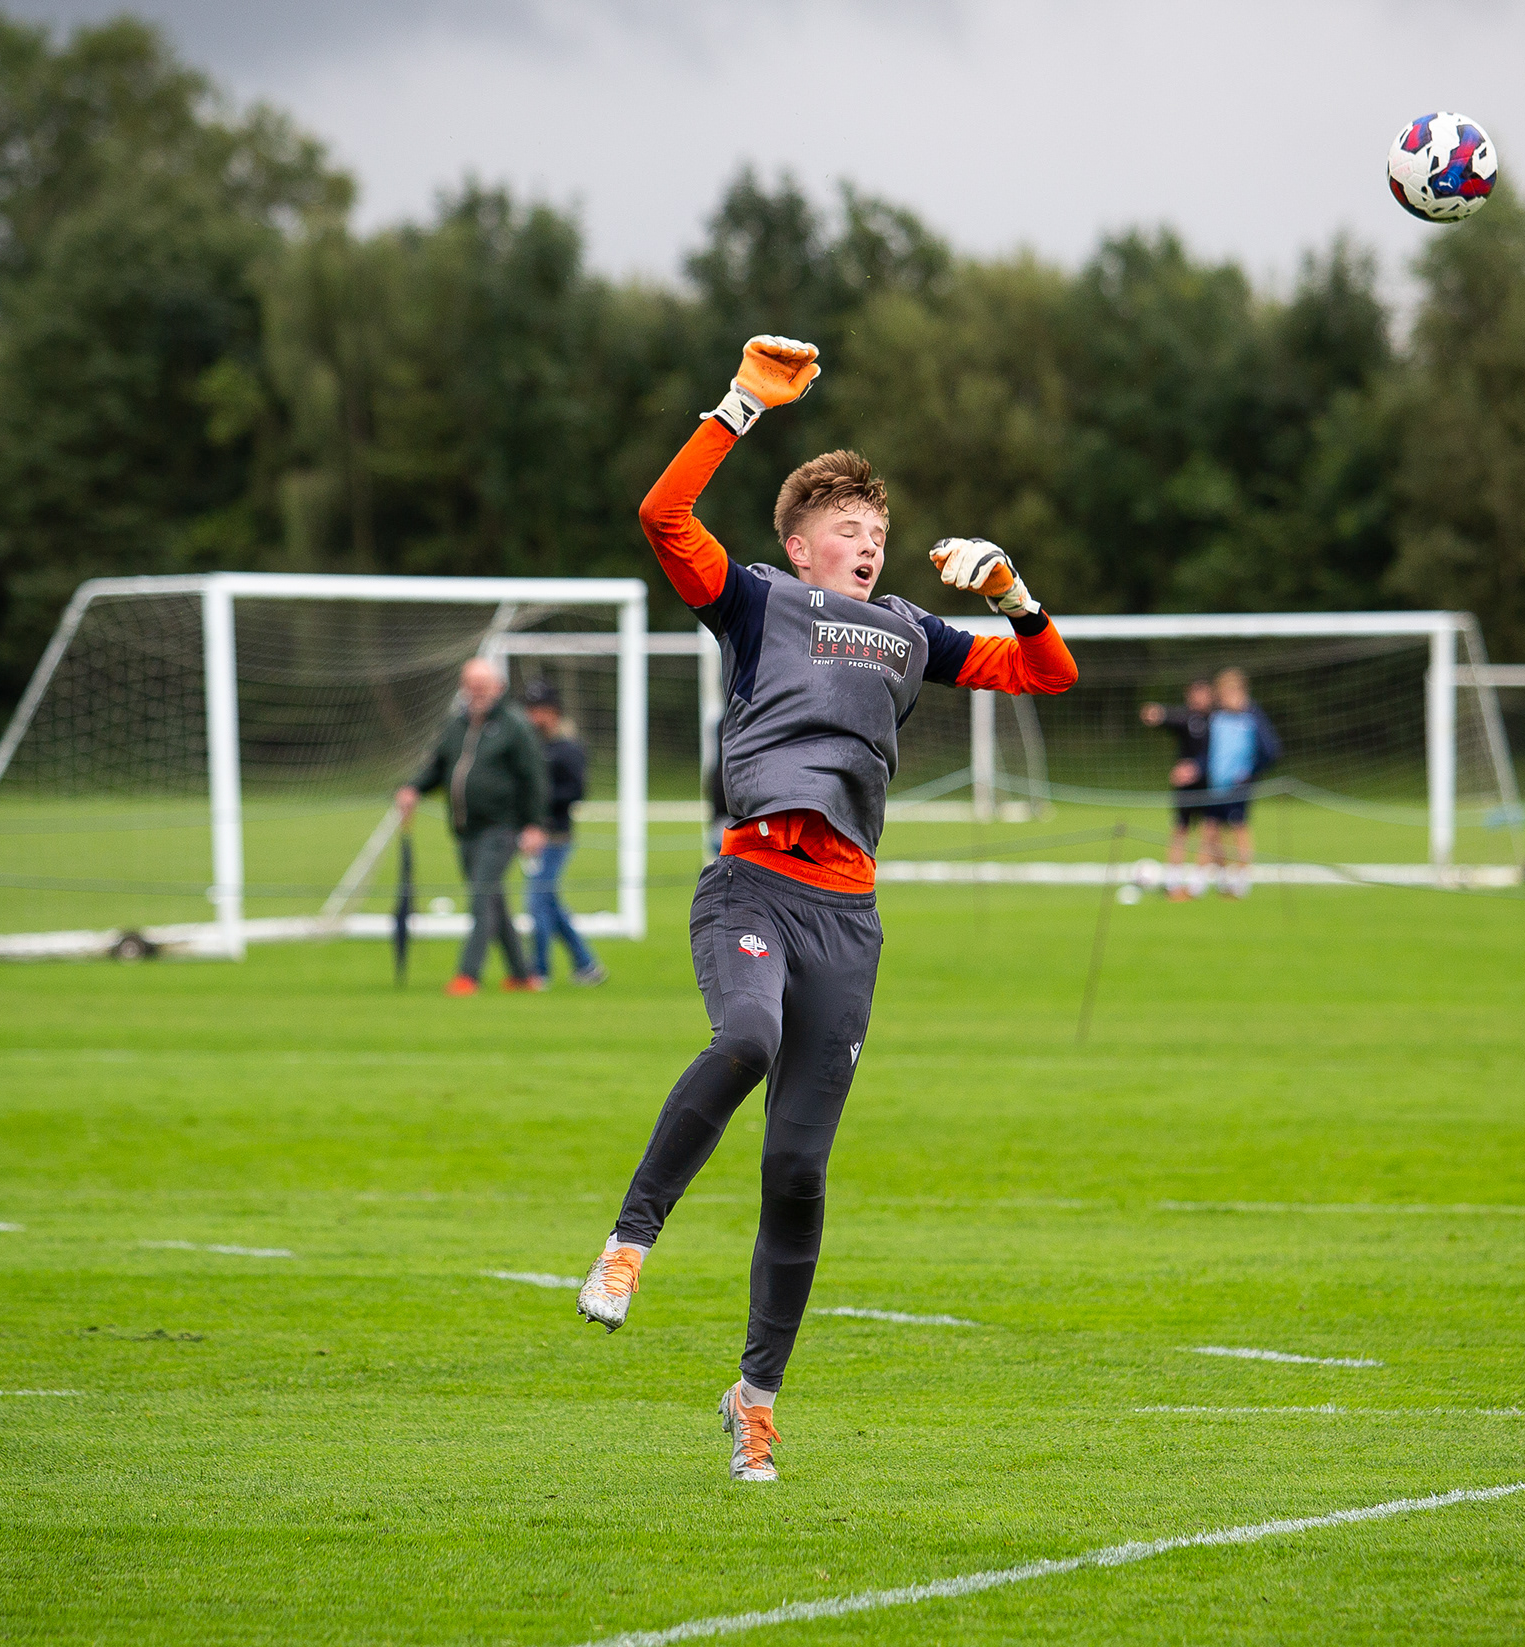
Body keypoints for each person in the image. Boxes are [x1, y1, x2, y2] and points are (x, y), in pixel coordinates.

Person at [573, 334, 1078, 1483]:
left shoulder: (908, 631)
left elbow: (1047, 675)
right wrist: (739, 406)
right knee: (745, 1038)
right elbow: (661, 515)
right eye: (849, 529)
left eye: (878, 533)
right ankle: (629, 1242)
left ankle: (753, 1402)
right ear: (800, 545)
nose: (869, 544)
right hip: (751, 883)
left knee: (798, 1172)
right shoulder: (757, 600)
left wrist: (1013, 594)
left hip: (848, 920)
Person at [395, 657, 547, 995]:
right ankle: (522, 975)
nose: (476, 692)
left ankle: (468, 975)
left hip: (501, 828)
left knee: (481, 896)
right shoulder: (456, 725)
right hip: (466, 830)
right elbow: (437, 767)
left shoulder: (514, 726)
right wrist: (412, 789)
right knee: (493, 900)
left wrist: (535, 824)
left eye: (482, 686)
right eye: (470, 686)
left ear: (498, 687)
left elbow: (534, 777)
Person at [519, 679, 608, 989]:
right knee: (549, 902)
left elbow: (576, 791)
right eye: (530, 710)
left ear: (553, 712)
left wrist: (539, 799)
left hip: (555, 836)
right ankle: (586, 965)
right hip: (532, 835)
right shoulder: (529, 746)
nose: (534, 717)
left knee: (537, 901)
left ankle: (538, 972)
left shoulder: (568, 748)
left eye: (540, 710)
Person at [1199, 666, 1282, 895]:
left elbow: (1271, 750)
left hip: (1238, 785)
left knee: (1238, 827)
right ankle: (1222, 878)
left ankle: (1241, 881)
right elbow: (1208, 751)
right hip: (1215, 784)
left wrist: (1250, 772)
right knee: (1210, 830)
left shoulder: (1252, 716)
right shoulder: (1216, 717)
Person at [1139, 678, 1215, 899]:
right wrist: (1158, 714)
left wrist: (1198, 767)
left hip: (1212, 784)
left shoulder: (1219, 719)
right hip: (1186, 786)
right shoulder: (1188, 718)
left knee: (1209, 831)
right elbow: (1171, 718)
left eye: (1202, 692)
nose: (1198, 697)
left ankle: (1197, 885)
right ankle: (1173, 884)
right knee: (1180, 829)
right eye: (1194, 693)